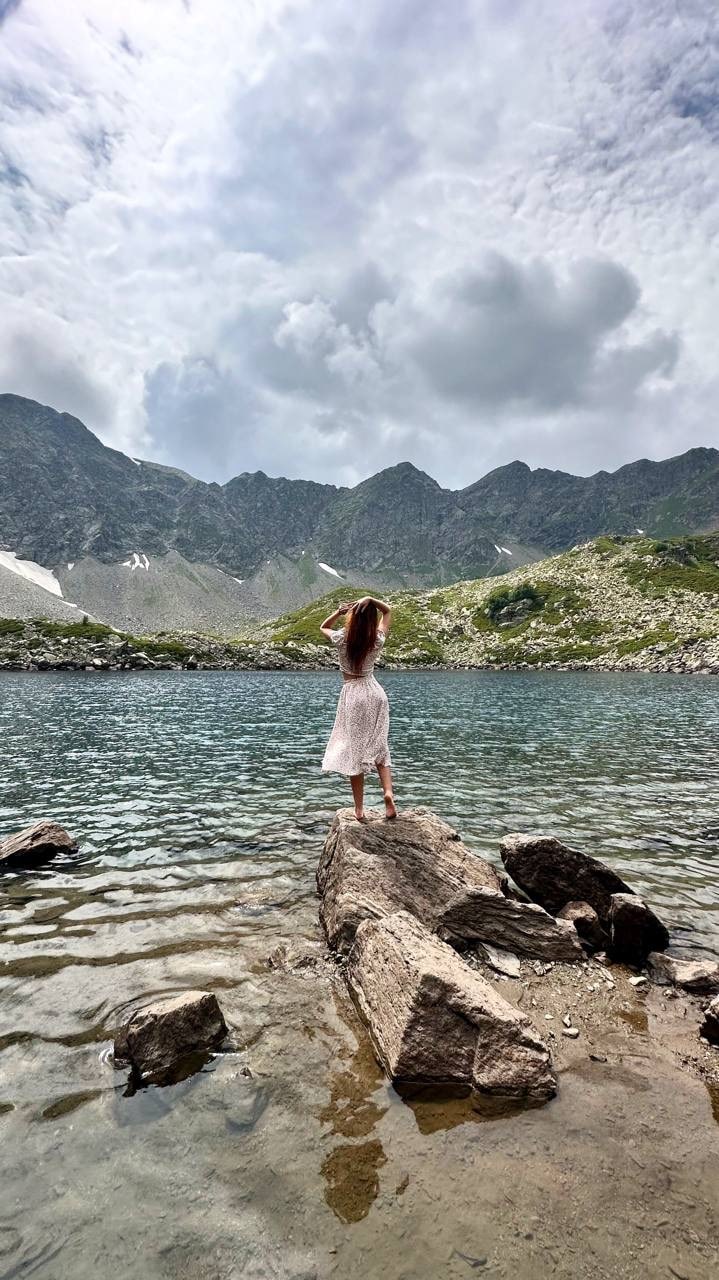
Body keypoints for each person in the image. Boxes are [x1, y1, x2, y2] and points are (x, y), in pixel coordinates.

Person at [320, 595, 396, 822]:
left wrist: (339, 612)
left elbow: (323, 627)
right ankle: (388, 794)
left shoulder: (342, 638)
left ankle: (359, 809)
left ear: (353, 617)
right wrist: (371, 599)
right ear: (372, 619)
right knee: (380, 745)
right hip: (375, 693)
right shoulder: (377, 638)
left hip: (353, 695)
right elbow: (388, 611)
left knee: (355, 751)